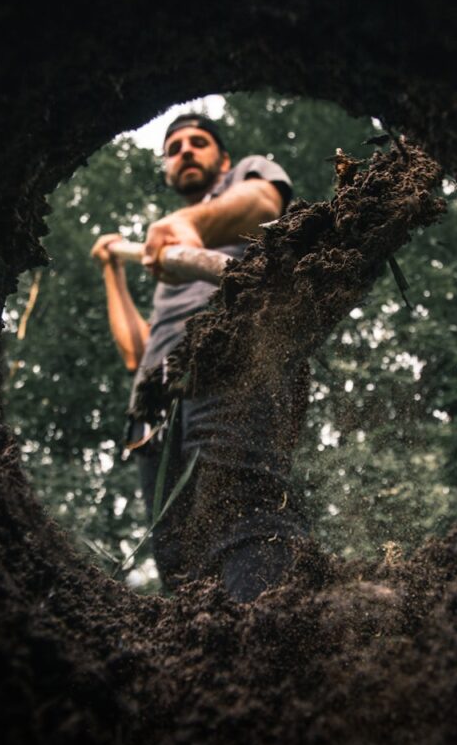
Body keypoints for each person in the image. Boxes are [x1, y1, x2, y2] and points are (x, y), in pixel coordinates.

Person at [91, 113, 308, 600]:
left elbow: (265, 203)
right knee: (175, 550)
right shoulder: (165, 250)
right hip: (154, 400)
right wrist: (112, 272)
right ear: (167, 168)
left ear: (223, 159)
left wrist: (188, 222)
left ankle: (274, 634)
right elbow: (135, 351)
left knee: (242, 505)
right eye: (174, 147)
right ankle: (209, 654)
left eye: (198, 142)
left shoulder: (244, 181)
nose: (185, 150)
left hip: (232, 349)